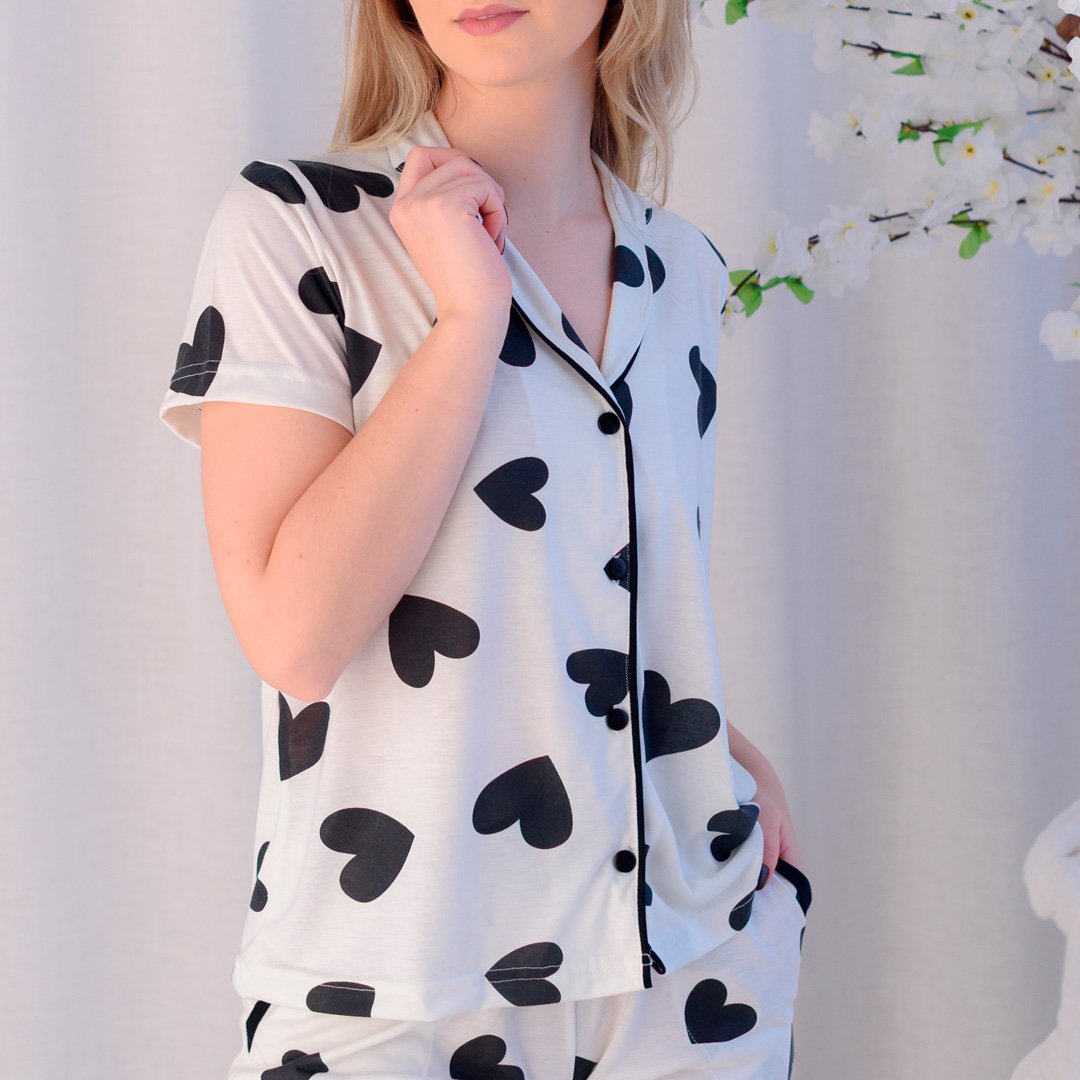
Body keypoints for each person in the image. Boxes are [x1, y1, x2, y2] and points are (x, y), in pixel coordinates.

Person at [159, 0, 813, 1076]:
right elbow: (294, 637)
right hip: (390, 980)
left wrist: (722, 751)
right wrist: (468, 321)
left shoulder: (684, 271)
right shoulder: (298, 226)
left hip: (687, 967)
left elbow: (588, 582)